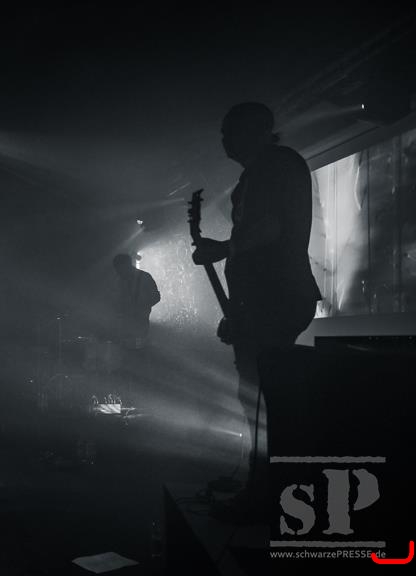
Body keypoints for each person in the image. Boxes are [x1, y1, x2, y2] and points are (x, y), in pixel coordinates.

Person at [192, 102, 321, 519]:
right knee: (257, 394)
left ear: (255, 131)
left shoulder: (273, 165)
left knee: (261, 397)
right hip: (266, 301)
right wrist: (237, 311)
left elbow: (269, 229)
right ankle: (266, 486)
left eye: (229, 131)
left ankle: (268, 493)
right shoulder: (263, 170)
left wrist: (222, 249)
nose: (224, 140)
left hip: (275, 299)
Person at [111, 254, 161, 348]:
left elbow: (156, 297)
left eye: (119, 269)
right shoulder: (118, 281)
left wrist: (142, 306)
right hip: (124, 325)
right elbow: (116, 299)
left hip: (141, 325)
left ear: (127, 265)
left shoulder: (145, 277)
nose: (118, 272)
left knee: (139, 349)